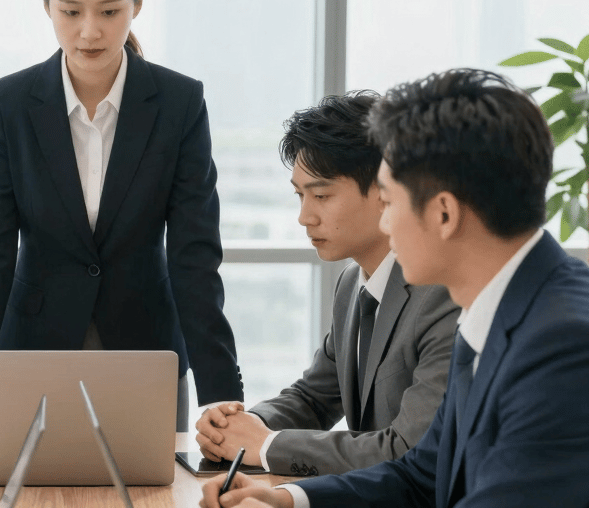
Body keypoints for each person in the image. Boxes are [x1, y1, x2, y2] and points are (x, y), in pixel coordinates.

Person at [199, 69, 589, 508]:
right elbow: (421, 478)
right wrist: (287, 503)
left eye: (389, 203)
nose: (385, 226)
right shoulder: (498, 302)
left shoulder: (565, 346)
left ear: (443, 213)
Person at [0, 0, 243, 436]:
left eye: (109, 12)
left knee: (150, 480)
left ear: (135, 6)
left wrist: (221, 395)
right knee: (27, 480)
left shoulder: (180, 102)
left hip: (145, 353)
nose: (90, 32)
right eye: (72, 12)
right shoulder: (8, 103)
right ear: (48, 7)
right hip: (32, 352)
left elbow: (195, 259)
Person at [195, 93, 459, 476]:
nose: (305, 217)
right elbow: (314, 399)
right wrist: (241, 426)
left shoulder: (444, 293)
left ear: (387, 191)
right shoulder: (352, 284)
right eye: (300, 195)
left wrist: (264, 445)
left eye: (321, 195)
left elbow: (409, 448)